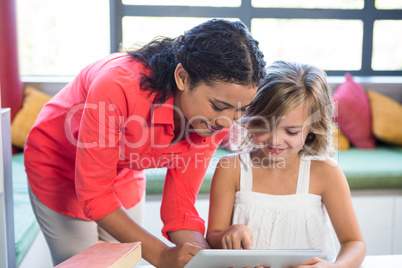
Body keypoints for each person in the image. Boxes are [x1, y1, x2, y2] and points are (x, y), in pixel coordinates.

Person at [24, 19, 266, 267]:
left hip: (123, 169)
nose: (227, 123)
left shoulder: (213, 120)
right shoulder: (117, 85)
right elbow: (95, 195)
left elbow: (179, 210)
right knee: (86, 263)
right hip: (58, 163)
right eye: (218, 106)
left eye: (241, 110)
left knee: (124, 259)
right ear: (183, 77)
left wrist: (204, 261)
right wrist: (161, 255)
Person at [206, 61, 366, 267]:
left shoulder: (326, 172)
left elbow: (354, 242)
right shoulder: (232, 169)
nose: (275, 140)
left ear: (312, 128)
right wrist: (227, 234)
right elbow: (213, 235)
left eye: (291, 131)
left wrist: (337, 266)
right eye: (264, 126)